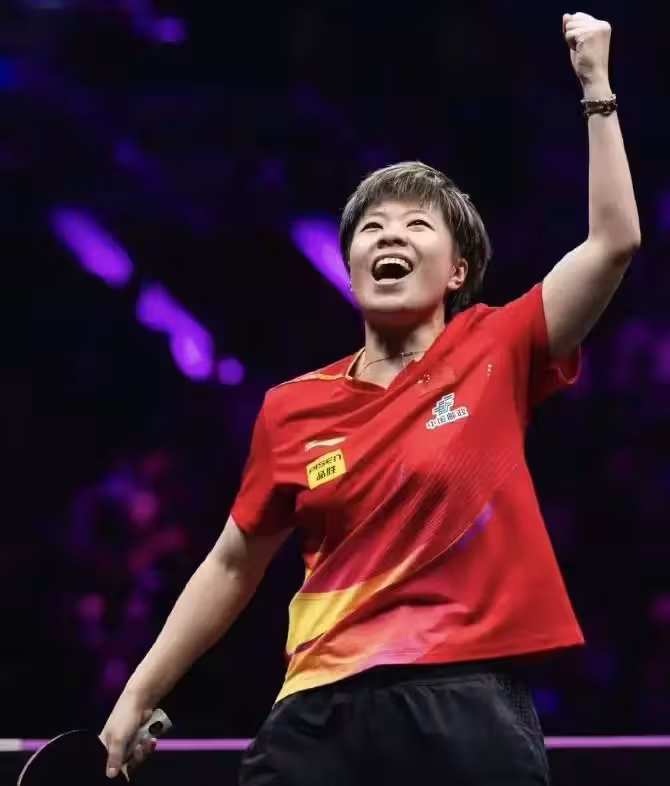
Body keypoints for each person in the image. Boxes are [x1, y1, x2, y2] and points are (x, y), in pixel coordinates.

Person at [101, 12, 639, 785]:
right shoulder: (292, 407)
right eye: (372, 227)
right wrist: (137, 693)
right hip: (319, 713)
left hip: (465, 704)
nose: (389, 236)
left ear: (457, 272)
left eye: (417, 224)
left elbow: (613, 243)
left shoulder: (498, 346)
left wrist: (596, 87)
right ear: (351, 264)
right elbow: (231, 564)